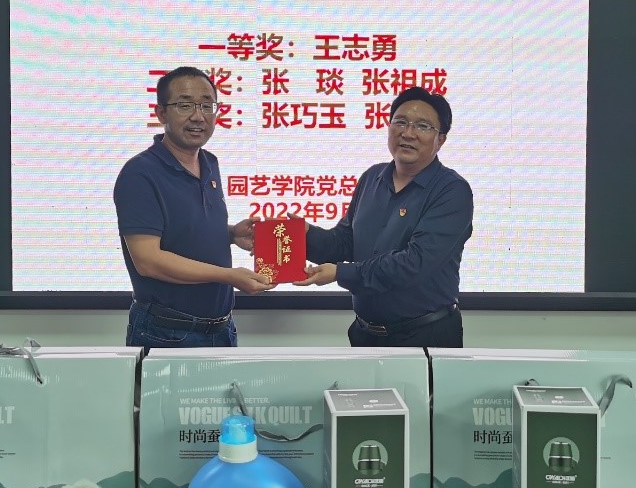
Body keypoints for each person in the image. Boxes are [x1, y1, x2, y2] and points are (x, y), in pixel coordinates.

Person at [294, 87, 473, 347]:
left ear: (441, 139)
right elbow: (345, 242)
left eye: (422, 126)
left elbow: (415, 263)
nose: (408, 133)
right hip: (364, 334)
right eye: (400, 122)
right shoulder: (372, 178)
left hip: (424, 337)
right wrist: (301, 235)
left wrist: (341, 273)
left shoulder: (451, 191)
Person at [114, 66, 272, 348]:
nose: (198, 116)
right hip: (166, 331)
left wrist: (231, 234)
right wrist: (228, 275)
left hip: (222, 328)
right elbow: (148, 260)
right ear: (161, 113)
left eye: (207, 105)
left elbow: (183, 229)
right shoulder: (140, 173)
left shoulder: (210, 163)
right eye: (185, 105)